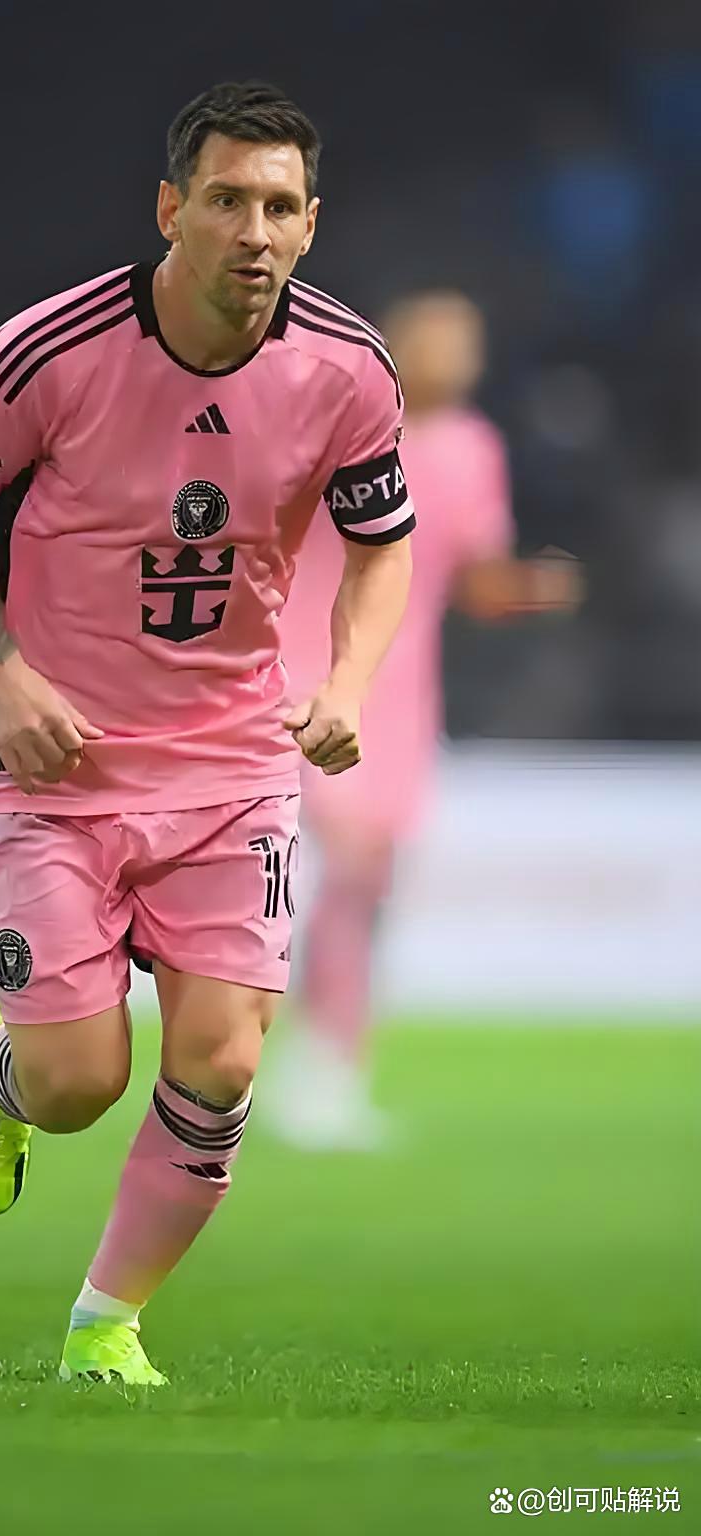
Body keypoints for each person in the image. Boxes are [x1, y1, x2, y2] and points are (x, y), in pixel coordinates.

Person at [0, 82, 414, 1386]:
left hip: (232, 766)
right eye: (228, 200)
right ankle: (7, 1076)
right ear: (169, 210)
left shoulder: (349, 369)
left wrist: (347, 685)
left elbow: (381, 545)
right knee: (78, 1082)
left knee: (224, 1059)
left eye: (281, 207)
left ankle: (105, 1325)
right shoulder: (49, 351)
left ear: (312, 224)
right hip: (56, 762)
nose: (255, 231)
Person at [275, 290, 581, 1150]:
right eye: (439, 340)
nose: (456, 357)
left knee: (365, 880)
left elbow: (477, 579)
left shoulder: (474, 449)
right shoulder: (339, 422)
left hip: (395, 696)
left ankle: (328, 1066)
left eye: (468, 343)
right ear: (396, 344)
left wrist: (531, 588)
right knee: (314, 867)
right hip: (292, 675)